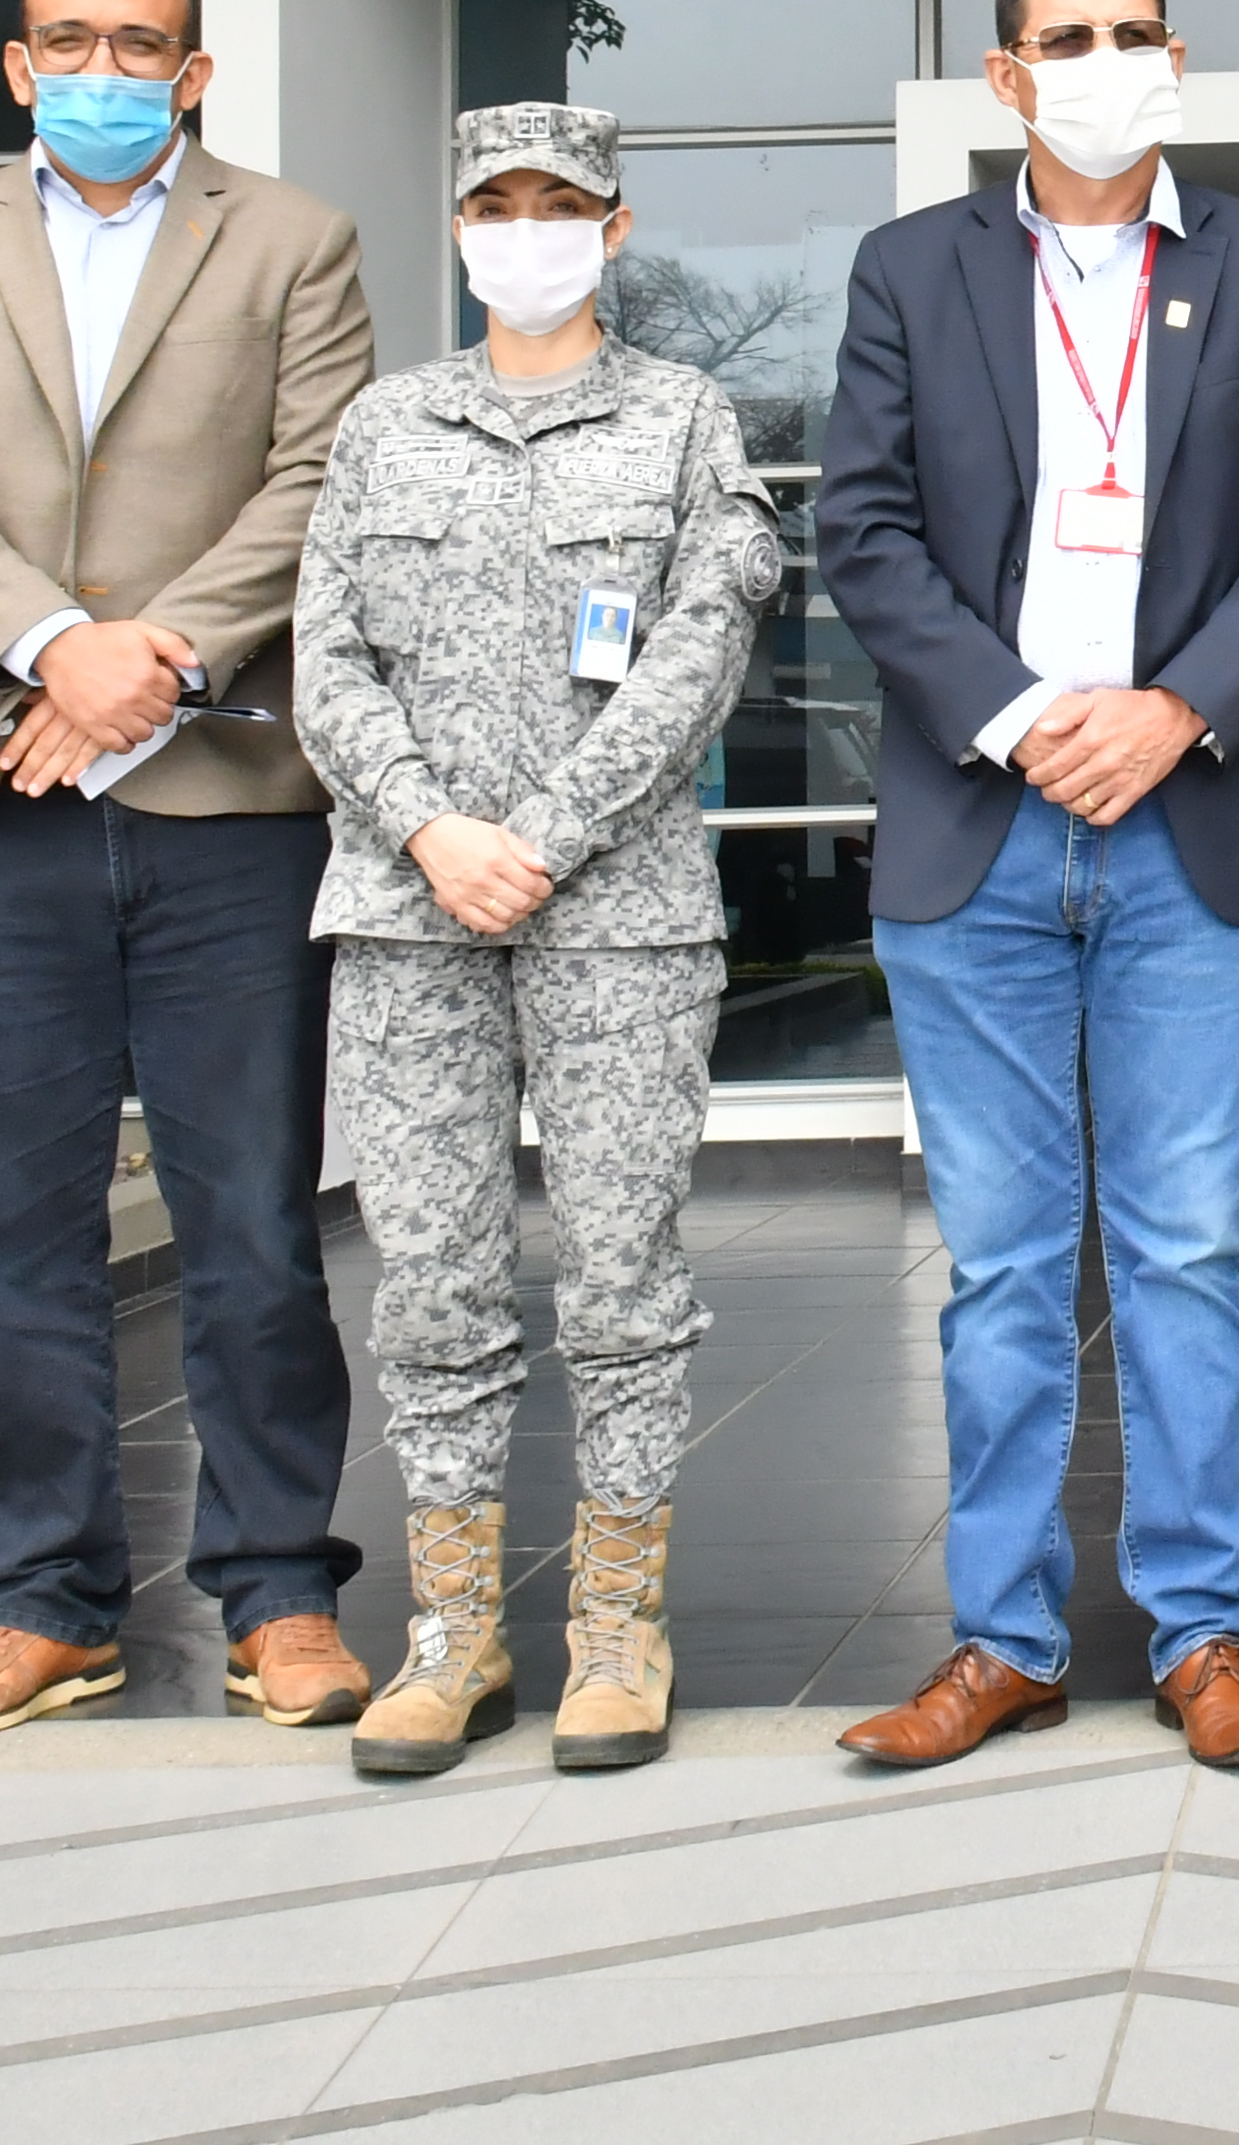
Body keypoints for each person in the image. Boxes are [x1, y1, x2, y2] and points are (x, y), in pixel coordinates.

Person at [813, 0, 1239, 1774]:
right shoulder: (911, 269)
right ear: (1008, 76)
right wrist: (1024, 712)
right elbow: (866, 533)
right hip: (978, 828)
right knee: (998, 1263)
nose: (1105, 59)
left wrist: (1173, 709)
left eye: (1134, 33)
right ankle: (1006, 1640)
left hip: (1186, 819)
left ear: (1177, 59)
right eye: (1069, 36)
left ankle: (1206, 1636)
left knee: (1190, 1247)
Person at [0, 0, 383, 1739]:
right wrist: (54, 648)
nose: (103, 64)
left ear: (194, 73)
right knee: (15, 1227)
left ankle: (281, 1587)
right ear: (18, 68)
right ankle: (44, 1598)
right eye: (69, 39)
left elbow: (321, 478)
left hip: (227, 788)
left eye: (139, 42)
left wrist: (148, 660)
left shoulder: (291, 240)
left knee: (251, 1216)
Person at [292, 105, 781, 1781]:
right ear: (459, 230)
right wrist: (435, 828)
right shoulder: (384, 427)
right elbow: (325, 660)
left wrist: (545, 840)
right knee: (430, 1276)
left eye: (555, 205)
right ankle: (451, 1634)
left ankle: (618, 1625)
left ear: (615, 228)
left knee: (625, 1279)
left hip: (621, 921)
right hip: (408, 910)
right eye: (493, 205)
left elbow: (700, 653)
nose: (524, 230)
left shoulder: (684, 420)